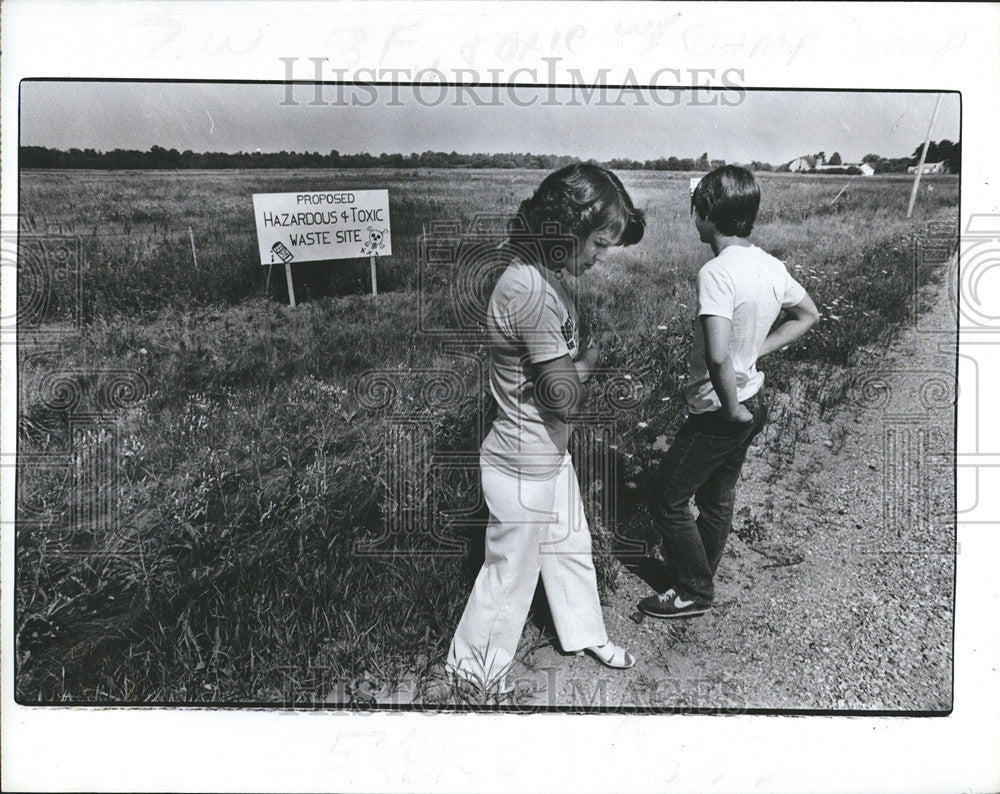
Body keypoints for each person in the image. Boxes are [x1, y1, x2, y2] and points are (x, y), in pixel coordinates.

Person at [448, 163, 645, 690]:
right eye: (599, 244)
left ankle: (583, 633)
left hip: (545, 455)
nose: (601, 258)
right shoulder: (531, 293)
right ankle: (472, 671)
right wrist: (593, 359)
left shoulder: (537, 276)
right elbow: (565, 401)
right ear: (566, 229)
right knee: (510, 572)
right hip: (522, 463)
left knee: (569, 545)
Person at [639, 165, 820, 619]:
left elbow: (718, 357)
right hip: (752, 397)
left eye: (694, 207)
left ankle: (694, 591)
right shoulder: (770, 265)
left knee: (667, 499)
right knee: (717, 498)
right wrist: (758, 349)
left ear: (706, 213)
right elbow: (807, 314)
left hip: (722, 409)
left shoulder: (716, 273)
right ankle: (702, 571)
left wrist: (732, 408)